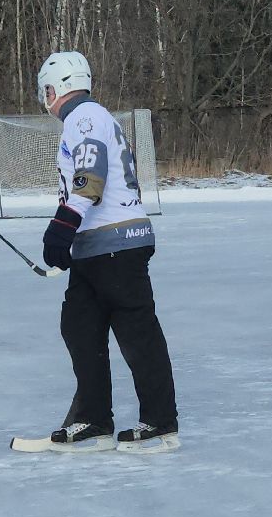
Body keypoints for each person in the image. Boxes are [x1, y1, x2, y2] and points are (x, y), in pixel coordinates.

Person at [34, 50, 179, 452]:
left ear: (57, 87)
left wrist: (62, 226)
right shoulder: (93, 118)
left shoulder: (84, 118)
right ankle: (94, 419)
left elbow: (89, 177)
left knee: (136, 333)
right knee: (79, 327)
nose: (45, 98)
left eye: (47, 89)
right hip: (96, 245)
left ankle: (160, 421)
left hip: (116, 243)